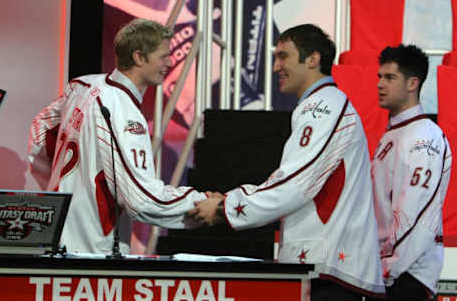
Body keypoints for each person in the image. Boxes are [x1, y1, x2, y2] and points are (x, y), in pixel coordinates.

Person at [188, 24, 386, 300]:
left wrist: (224, 207)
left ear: (313, 59)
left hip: (331, 275)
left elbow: (294, 184)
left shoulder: (323, 107)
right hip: (328, 268)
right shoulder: (322, 104)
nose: (274, 67)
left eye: (283, 56)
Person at [28, 19, 208, 254]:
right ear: (139, 58)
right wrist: (202, 205)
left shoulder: (81, 85)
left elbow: (39, 132)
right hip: (92, 250)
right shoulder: (124, 113)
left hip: (55, 234)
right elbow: (141, 200)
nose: (170, 62)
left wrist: (55, 188)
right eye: (163, 56)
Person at [370, 44, 452, 300]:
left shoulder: (424, 137)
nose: (380, 84)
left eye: (390, 77)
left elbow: (413, 215)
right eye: (379, 77)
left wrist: (387, 268)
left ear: (412, 83)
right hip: (390, 272)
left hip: (407, 275)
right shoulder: (395, 134)